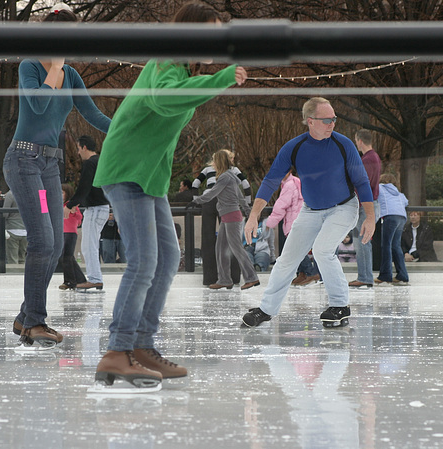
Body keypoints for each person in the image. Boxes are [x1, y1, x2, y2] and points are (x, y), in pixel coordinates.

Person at [92, 2, 247, 389]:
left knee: (169, 257)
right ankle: (117, 351)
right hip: (128, 170)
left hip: (149, 176)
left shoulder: (179, 70)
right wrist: (223, 77)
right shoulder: (165, 62)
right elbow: (165, 99)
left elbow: (177, 98)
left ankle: (141, 346)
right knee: (144, 261)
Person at [4, 6, 111, 349]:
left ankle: (26, 316)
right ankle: (35, 320)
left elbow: (92, 113)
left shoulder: (73, 76)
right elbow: (36, 104)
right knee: (43, 242)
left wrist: (128, 132)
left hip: (50, 167)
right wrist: (54, 66)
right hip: (23, 161)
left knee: (53, 247)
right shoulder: (29, 66)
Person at [242, 97, 374, 329]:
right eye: (326, 120)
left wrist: (371, 217)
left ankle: (339, 305)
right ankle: (266, 310)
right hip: (310, 210)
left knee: (323, 250)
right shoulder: (294, 147)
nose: (332, 123)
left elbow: (362, 182)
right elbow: (271, 181)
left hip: (343, 207)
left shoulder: (344, 145)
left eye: (334, 119)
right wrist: (253, 216)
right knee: (286, 260)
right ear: (310, 121)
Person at [190, 149, 260, 290]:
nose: (213, 164)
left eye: (215, 161)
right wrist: (247, 211)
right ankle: (224, 279)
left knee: (236, 248)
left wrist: (196, 201)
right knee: (221, 248)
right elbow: (241, 196)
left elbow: (212, 194)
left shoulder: (224, 178)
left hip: (232, 217)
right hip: (227, 216)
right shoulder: (230, 176)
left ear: (219, 162)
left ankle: (252, 278)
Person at [64, 135, 110, 290]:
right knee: (90, 244)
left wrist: (70, 204)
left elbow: (84, 187)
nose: (78, 153)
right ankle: (95, 278)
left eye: (78, 149)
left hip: (96, 208)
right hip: (100, 207)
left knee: (89, 245)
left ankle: (95, 278)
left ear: (84, 147)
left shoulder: (90, 163)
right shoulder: (101, 161)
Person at [265, 171, 319, 286]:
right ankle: (302, 273)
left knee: (297, 249)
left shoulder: (289, 184)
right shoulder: (295, 182)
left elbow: (281, 205)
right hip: (299, 219)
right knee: (298, 247)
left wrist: (270, 223)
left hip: (293, 221)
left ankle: (309, 272)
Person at [349, 129, 381, 288]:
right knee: (363, 240)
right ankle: (365, 276)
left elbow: (363, 184)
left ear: (359, 140)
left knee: (361, 241)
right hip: (370, 204)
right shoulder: (374, 158)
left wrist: (357, 204)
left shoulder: (367, 160)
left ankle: (365, 277)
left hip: (365, 206)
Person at [374, 173, 409, 285]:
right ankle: (402, 274)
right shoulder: (399, 193)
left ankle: (385, 275)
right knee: (396, 246)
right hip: (402, 218)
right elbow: (406, 202)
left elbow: (373, 197)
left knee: (386, 246)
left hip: (390, 216)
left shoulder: (379, 188)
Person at [59, 183, 86, 290]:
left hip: (70, 233)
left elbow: (79, 219)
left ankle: (70, 281)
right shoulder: (59, 205)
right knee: (68, 257)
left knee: (66, 257)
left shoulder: (70, 205)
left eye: (62, 193)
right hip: (62, 233)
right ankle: (79, 279)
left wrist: (74, 212)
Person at [3, 191, 28, 264]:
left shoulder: (10, 194)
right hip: (25, 230)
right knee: (22, 258)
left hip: (12, 229)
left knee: (12, 259)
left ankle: (14, 274)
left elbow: (5, 213)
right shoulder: (29, 193)